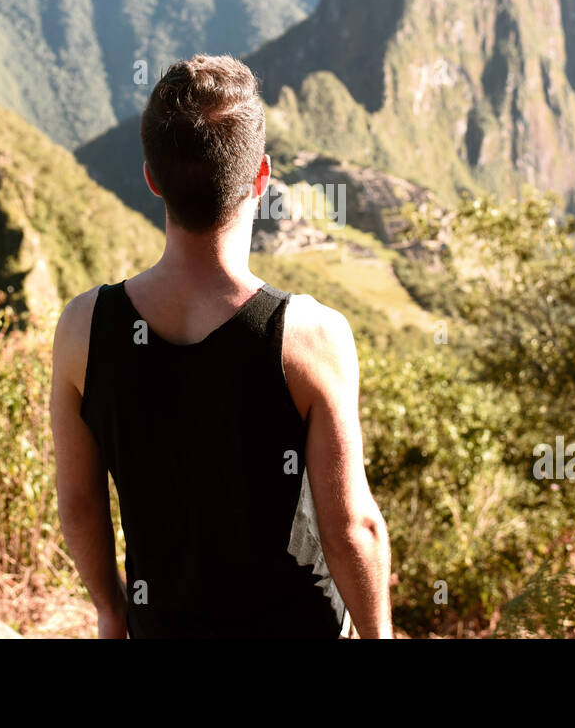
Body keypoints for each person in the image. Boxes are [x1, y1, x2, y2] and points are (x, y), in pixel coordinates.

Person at [49, 53, 392, 638]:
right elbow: (352, 527)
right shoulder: (308, 336)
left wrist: (111, 611)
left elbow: (80, 503)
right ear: (261, 177)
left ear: (152, 178)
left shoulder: (84, 328)